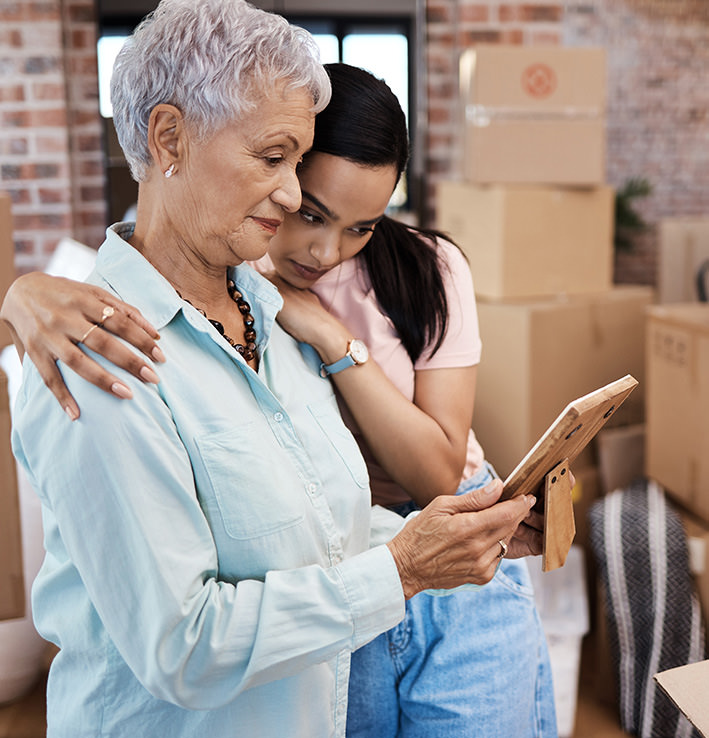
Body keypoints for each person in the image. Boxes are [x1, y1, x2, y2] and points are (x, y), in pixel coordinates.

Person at [3, 3, 542, 738]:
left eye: (297, 163)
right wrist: (405, 569)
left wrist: (463, 531)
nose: (290, 195)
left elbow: (315, 525)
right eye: (271, 158)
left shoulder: (267, 314)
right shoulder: (103, 352)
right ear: (169, 138)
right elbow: (183, 648)